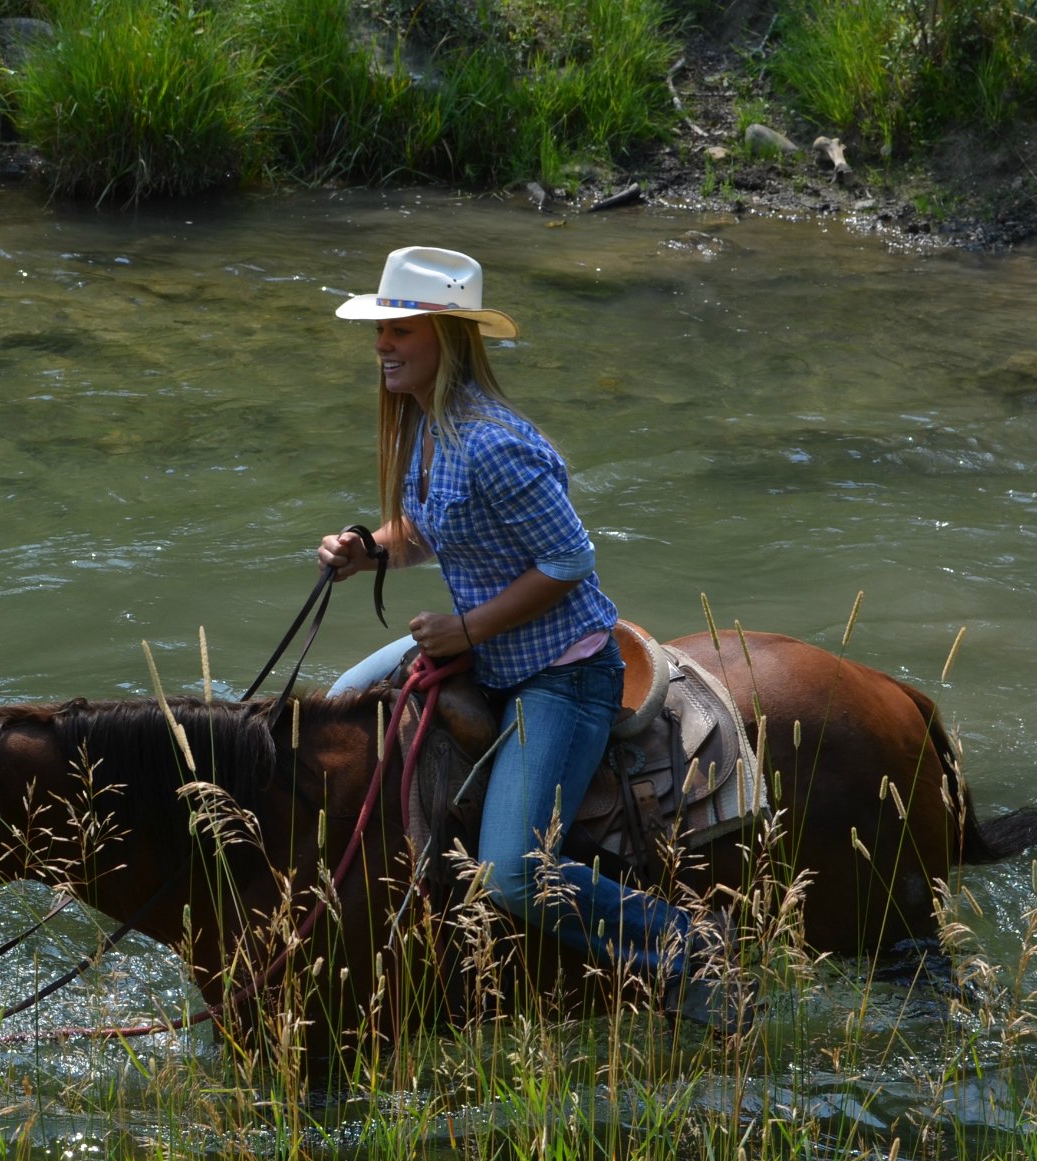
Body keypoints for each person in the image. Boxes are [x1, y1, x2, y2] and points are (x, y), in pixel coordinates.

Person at [315, 245, 742, 1030]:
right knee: (336, 709)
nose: (380, 344)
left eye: (397, 329)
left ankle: (685, 943)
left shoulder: (495, 443)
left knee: (513, 872)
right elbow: (431, 528)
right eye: (379, 329)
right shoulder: (428, 431)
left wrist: (465, 628)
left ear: (444, 333)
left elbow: (570, 559)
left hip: (558, 671)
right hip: (484, 649)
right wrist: (370, 549)